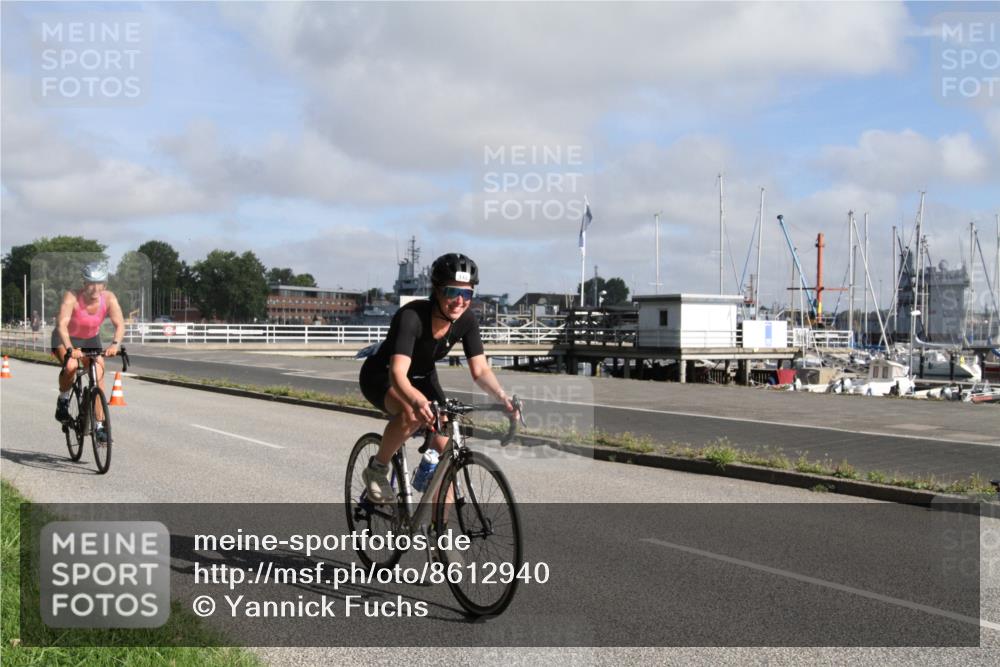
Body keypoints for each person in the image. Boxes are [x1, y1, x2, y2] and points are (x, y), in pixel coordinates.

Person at [358, 253, 517, 503]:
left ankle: (438, 534)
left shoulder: (467, 320)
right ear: (438, 290)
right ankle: (377, 469)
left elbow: (481, 371)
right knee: (412, 413)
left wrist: (503, 398)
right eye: (453, 292)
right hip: (383, 375)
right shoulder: (411, 316)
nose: (460, 301)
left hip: (423, 377)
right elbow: (398, 373)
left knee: (448, 455)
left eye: (467, 294)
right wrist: (417, 402)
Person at [52, 262, 125, 446]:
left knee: (98, 374)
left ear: (104, 285)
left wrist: (115, 344)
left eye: (98, 283)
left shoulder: (109, 298)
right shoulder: (72, 297)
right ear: (83, 284)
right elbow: (61, 325)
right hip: (65, 337)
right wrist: (70, 349)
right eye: (90, 282)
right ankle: (63, 401)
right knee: (71, 366)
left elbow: (120, 324)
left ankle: (100, 426)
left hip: (91, 339)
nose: (94, 287)